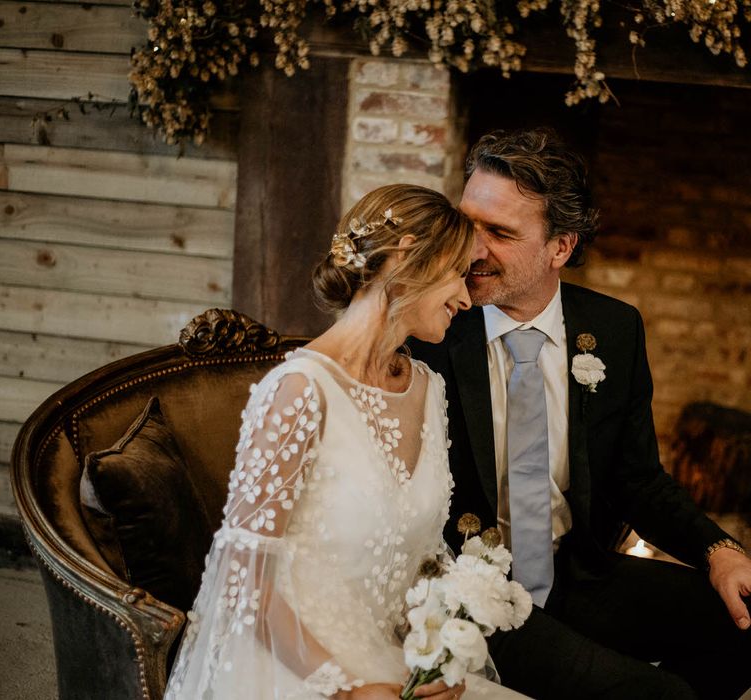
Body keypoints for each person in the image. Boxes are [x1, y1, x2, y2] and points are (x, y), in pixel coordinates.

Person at [409, 128, 751, 700]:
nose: (471, 247)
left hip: (577, 574)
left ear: (560, 247)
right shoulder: (431, 328)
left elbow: (639, 478)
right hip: (472, 593)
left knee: (742, 628)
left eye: (500, 232)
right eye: (468, 222)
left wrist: (720, 552)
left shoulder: (614, 329)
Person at [164, 184, 529, 699]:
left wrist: (436, 656)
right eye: (457, 274)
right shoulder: (297, 393)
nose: (467, 298)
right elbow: (243, 583)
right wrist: (347, 691)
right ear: (406, 255)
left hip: (392, 659)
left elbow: (420, 558)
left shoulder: (429, 389)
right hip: (290, 664)